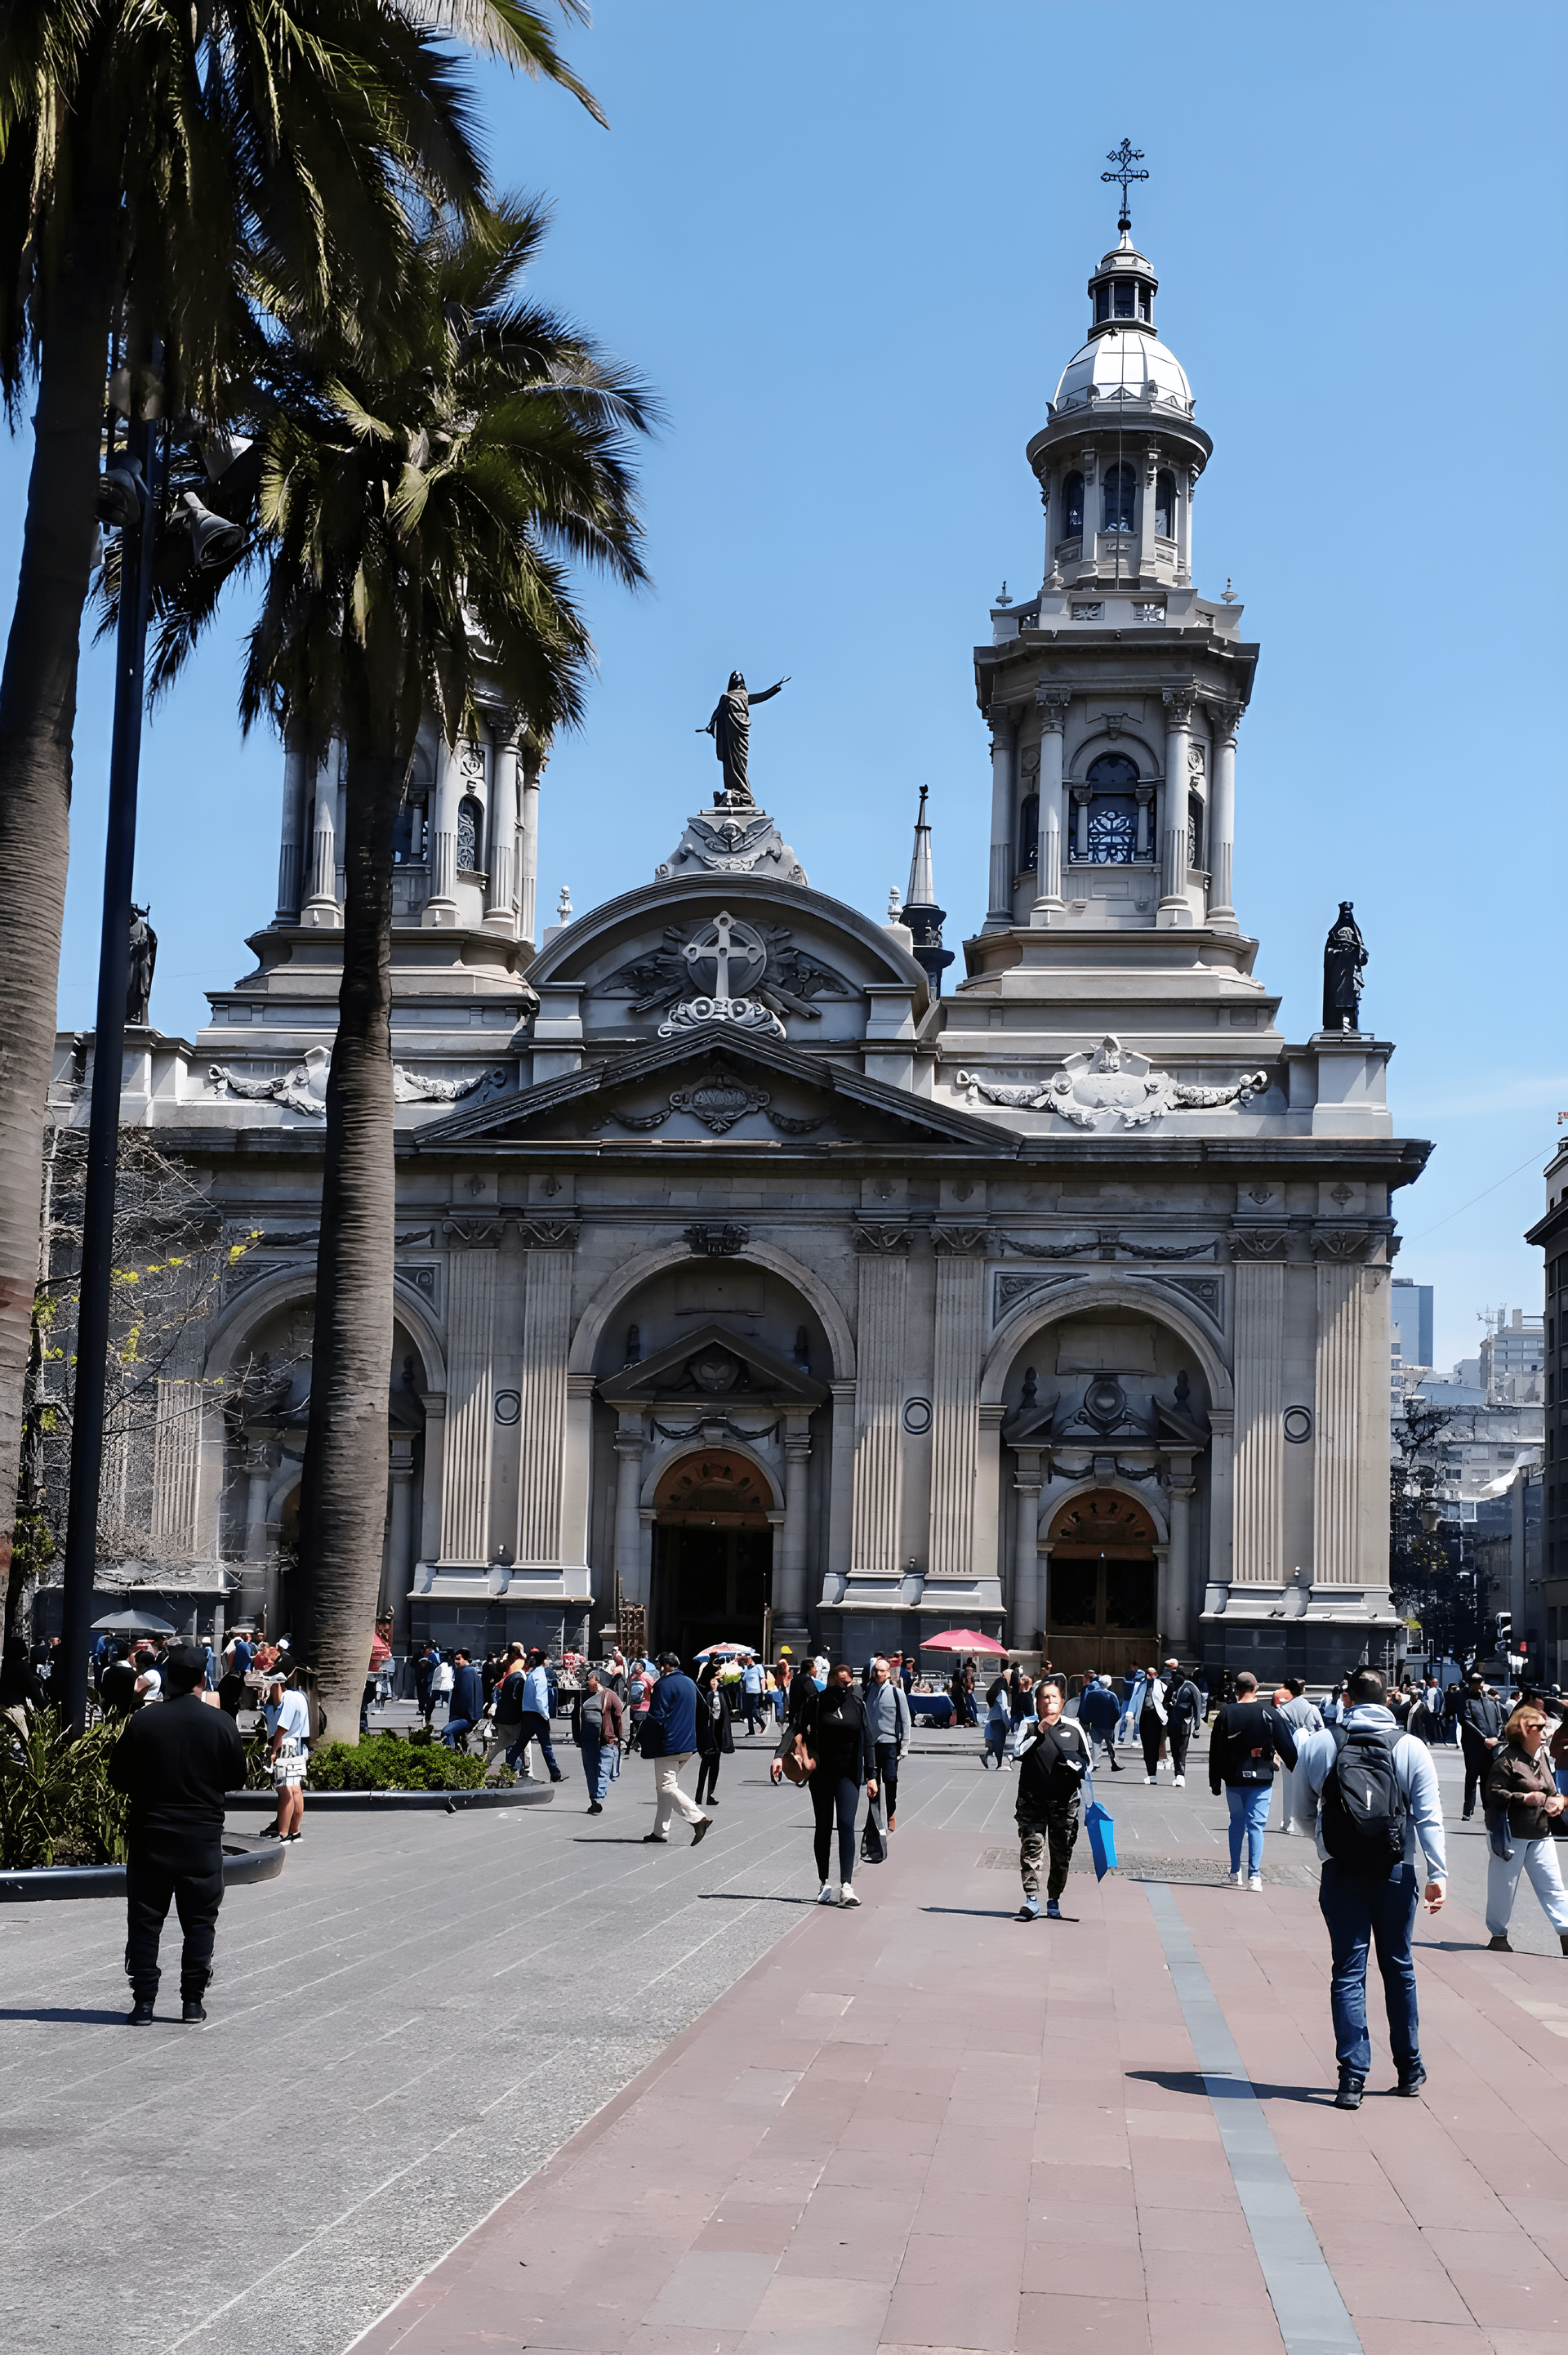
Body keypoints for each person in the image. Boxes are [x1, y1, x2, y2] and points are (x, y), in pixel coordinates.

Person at [1298, 1666, 1447, 2109]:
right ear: (1389, 1700)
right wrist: (1438, 1873)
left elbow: (1301, 1816)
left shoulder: (1322, 1743)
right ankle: (1409, 2068)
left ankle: (1351, 2078)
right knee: (1399, 1968)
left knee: (1348, 1972)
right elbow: (1429, 1816)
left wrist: (1330, 1847)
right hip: (1396, 1873)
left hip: (1341, 1874)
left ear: (1346, 1699)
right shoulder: (1411, 1747)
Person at [108, 1643, 247, 2023]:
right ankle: (192, 2001)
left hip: (152, 1835)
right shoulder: (221, 1724)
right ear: (202, 1679)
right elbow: (237, 1777)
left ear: (168, 1678)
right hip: (201, 1838)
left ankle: (144, 2003)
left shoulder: (144, 1722)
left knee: (145, 1919)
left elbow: (117, 1777)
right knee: (200, 1921)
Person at [773, 1661, 876, 1906]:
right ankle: (824, 1882)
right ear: (830, 1680)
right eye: (840, 1681)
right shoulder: (816, 1703)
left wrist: (871, 1775)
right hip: (821, 1773)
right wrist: (779, 1755)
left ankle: (847, 1886)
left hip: (849, 1773)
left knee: (847, 1824)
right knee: (823, 1826)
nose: (844, 1685)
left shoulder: (858, 1705)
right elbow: (796, 1727)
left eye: (848, 1681)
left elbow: (868, 1741)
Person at [1482, 1703, 1568, 1953]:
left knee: (1553, 1885)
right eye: (1539, 1728)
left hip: (1540, 1832)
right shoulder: (1506, 1760)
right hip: (1510, 1834)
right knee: (1503, 1886)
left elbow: (1551, 1788)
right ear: (1524, 1730)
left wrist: (1557, 1801)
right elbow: (1493, 1794)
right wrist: (1523, 1798)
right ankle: (1498, 1934)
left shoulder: (1540, 1757)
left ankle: (1566, 1933)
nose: (1545, 1732)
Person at [1209, 1670, 1298, 1890]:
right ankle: (1254, 1876)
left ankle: (1234, 1871)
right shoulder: (1269, 1713)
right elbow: (1287, 1747)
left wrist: (1215, 1781)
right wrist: (1297, 1769)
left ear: (1236, 1690)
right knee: (1256, 1825)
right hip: (1261, 1777)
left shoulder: (1226, 1714)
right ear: (1255, 1688)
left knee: (1236, 1822)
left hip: (1234, 1778)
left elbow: (1216, 1750)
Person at [1014, 1677, 1094, 1921]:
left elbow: (1088, 1761)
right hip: (1032, 1799)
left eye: (1054, 1697)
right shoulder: (1027, 1726)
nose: (1050, 1700)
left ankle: (1054, 1898)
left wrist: (1075, 1765)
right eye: (1045, 1697)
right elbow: (1017, 1753)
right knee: (1032, 1846)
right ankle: (1031, 1900)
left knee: (1061, 1853)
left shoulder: (1074, 1727)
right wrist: (1040, 1731)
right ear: (1038, 1702)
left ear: (1062, 1702)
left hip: (1064, 1802)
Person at [641, 1652, 712, 1845]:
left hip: (669, 1744)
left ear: (664, 1666)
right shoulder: (689, 1682)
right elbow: (703, 1710)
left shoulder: (663, 1685)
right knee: (665, 1787)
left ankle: (698, 1818)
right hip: (688, 1744)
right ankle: (659, 1832)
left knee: (666, 1786)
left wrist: (641, 1736)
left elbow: (657, 1716)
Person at [261, 1671, 310, 1842]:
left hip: (286, 1747)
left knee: (285, 1789)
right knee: (295, 1787)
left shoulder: (289, 1699)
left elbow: (283, 1726)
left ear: (277, 1685)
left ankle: (283, 1833)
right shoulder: (299, 1696)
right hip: (298, 1747)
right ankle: (294, 1831)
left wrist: (274, 1750)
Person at [866, 1656, 911, 1831]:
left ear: (888, 1673)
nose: (879, 1674)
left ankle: (891, 1813)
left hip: (890, 1743)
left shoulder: (896, 1692)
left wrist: (905, 1745)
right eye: (876, 1670)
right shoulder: (869, 1691)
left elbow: (905, 1719)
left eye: (882, 1671)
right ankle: (875, 1817)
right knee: (873, 1781)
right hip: (873, 1745)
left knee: (891, 1779)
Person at [1275, 1677, 1325, 1833]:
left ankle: (1287, 1821)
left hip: (1289, 1753)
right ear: (1303, 1691)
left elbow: (1279, 1734)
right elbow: (1321, 1731)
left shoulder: (1282, 1710)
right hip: (1310, 1753)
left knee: (1289, 1788)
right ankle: (1306, 1822)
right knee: (1308, 1789)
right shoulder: (1313, 1709)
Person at [578, 1671, 624, 1813]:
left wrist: (619, 1736)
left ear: (597, 1680)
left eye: (590, 1679)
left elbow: (619, 1713)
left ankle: (596, 1800)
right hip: (596, 1739)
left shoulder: (608, 1695)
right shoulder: (597, 1695)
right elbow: (619, 1712)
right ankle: (596, 1800)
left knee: (598, 1771)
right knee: (597, 1771)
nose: (588, 1682)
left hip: (603, 1740)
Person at [481, 1644, 529, 1778]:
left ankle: (484, 1765)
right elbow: (518, 1700)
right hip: (513, 1720)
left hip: (502, 1719)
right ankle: (516, 1770)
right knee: (519, 1743)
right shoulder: (520, 1678)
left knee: (499, 1745)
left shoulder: (509, 1677)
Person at [1459, 1675, 1503, 1819]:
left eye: (1480, 1683)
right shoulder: (1467, 1701)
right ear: (1471, 1685)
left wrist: (1496, 1737)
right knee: (1472, 1776)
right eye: (1476, 1683)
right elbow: (1467, 1721)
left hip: (1491, 1747)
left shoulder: (1491, 1703)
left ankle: (1488, 1809)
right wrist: (1483, 1739)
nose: (1478, 1686)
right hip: (1474, 1747)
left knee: (1487, 1779)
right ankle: (1468, 1808)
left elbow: (1500, 1722)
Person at [518, 1649, 564, 1784]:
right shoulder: (540, 1675)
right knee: (546, 1746)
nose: (549, 1661)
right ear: (544, 1661)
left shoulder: (532, 1674)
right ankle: (555, 1773)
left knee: (520, 1744)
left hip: (528, 1714)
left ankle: (509, 1767)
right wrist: (545, 1715)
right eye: (547, 1659)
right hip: (538, 1715)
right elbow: (540, 1698)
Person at [694, 1657, 733, 1809]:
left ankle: (710, 1794)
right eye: (712, 1679)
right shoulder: (703, 1695)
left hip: (718, 1735)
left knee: (715, 1765)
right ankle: (699, 1795)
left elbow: (727, 1713)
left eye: (716, 1680)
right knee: (705, 1764)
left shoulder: (721, 1695)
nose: (714, 1682)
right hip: (707, 1735)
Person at [1162, 1660, 1203, 1787]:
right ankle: (1177, 1774)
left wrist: (1197, 1725)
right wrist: (1168, 1705)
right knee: (1174, 1749)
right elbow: (1165, 1701)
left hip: (1185, 1722)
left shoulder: (1190, 1687)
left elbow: (1198, 1705)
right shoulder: (1172, 1686)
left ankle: (1181, 1774)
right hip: (1173, 1721)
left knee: (1182, 1749)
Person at [1076, 1673, 1123, 1771]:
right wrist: (1114, 1722)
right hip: (1108, 1725)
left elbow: (1087, 1709)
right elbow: (1117, 1711)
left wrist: (1088, 1721)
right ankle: (1113, 1762)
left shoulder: (1091, 1694)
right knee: (1110, 1744)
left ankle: (1094, 1763)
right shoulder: (1112, 1695)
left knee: (1095, 1744)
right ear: (1109, 1684)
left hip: (1095, 1724)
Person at [1, 1638, 47, 1736]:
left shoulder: (6, 1663)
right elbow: (31, 1687)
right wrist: (42, 1706)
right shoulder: (21, 1665)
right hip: (15, 1706)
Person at [440, 1649, 483, 1751]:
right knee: (454, 1737)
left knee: (448, 1731)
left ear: (466, 1659)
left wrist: (463, 1716)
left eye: (458, 1659)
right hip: (465, 1717)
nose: (456, 1661)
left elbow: (467, 1697)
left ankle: (451, 1755)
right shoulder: (464, 1671)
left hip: (466, 1717)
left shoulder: (467, 1672)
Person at [1138, 1664, 1169, 1783]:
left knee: (1155, 1745)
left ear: (1156, 1675)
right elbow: (1136, 1700)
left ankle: (1153, 1772)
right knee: (1146, 1746)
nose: (1150, 1676)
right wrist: (1131, 1713)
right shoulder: (1141, 1686)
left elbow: (1167, 1699)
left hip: (1156, 1717)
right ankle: (1150, 1773)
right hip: (1144, 1716)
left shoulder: (1161, 1686)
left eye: (1153, 1674)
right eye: (1148, 1674)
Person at [983, 1678, 1012, 1770]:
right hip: (1000, 1720)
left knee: (996, 1742)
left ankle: (986, 1756)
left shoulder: (993, 1694)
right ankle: (999, 1764)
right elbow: (1004, 1709)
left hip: (993, 1719)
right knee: (1000, 1743)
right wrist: (1008, 1723)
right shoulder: (1002, 1693)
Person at [739, 1653, 764, 1736]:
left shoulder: (758, 1667)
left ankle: (762, 1723)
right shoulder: (746, 1669)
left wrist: (763, 1691)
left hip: (755, 1691)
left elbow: (762, 1679)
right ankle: (751, 1730)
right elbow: (744, 1679)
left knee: (754, 1710)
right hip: (747, 1691)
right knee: (748, 1712)